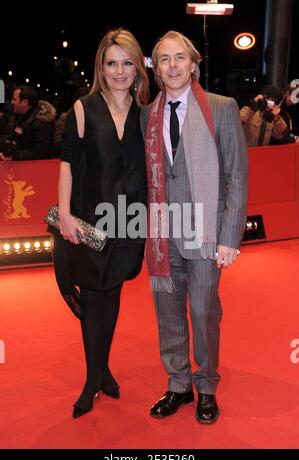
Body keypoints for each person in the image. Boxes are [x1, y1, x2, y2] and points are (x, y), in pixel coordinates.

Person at [140, 31, 248, 424]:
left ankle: (205, 385)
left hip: (204, 234)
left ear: (193, 64)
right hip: (162, 235)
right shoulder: (146, 115)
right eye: (164, 59)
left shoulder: (222, 107)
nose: (172, 65)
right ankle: (178, 383)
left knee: (203, 313)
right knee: (167, 313)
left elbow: (236, 176)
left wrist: (229, 237)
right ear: (156, 69)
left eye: (179, 57)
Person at [49, 28, 149, 418]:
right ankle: (93, 379)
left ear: (138, 68)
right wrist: (65, 216)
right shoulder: (83, 108)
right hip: (90, 222)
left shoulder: (147, 115)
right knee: (93, 298)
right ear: (101, 68)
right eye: (112, 63)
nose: (119, 71)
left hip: (130, 222)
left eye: (127, 63)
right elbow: (67, 166)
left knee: (113, 294)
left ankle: (104, 368)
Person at [0, 85, 56, 161]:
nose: (12, 102)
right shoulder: (19, 116)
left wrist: (14, 156)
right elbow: (11, 140)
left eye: (14, 99)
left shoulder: (43, 123)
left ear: (24, 102)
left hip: (32, 170)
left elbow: (40, 154)